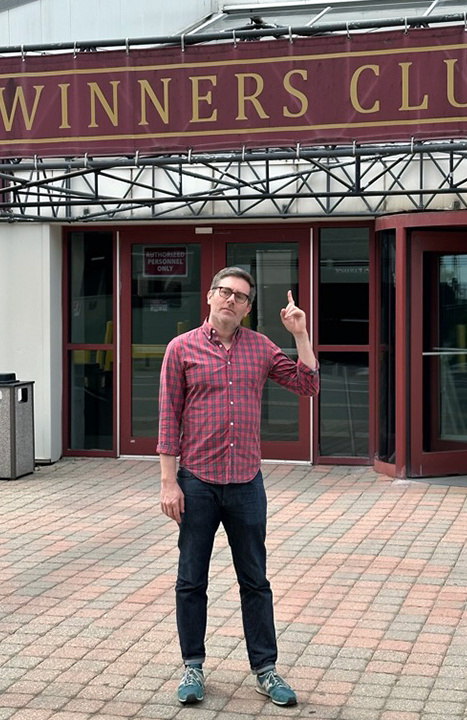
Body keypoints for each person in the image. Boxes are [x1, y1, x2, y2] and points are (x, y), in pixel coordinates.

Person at [158, 266, 318, 707]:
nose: (231, 300)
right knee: (191, 580)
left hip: (247, 483)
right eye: (224, 292)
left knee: (256, 581)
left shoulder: (261, 348)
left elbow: (306, 384)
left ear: (248, 308)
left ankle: (265, 669)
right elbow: (168, 419)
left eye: (241, 297)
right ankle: (192, 666)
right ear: (209, 297)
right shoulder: (181, 349)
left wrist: (300, 335)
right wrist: (169, 483)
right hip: (197, 483)